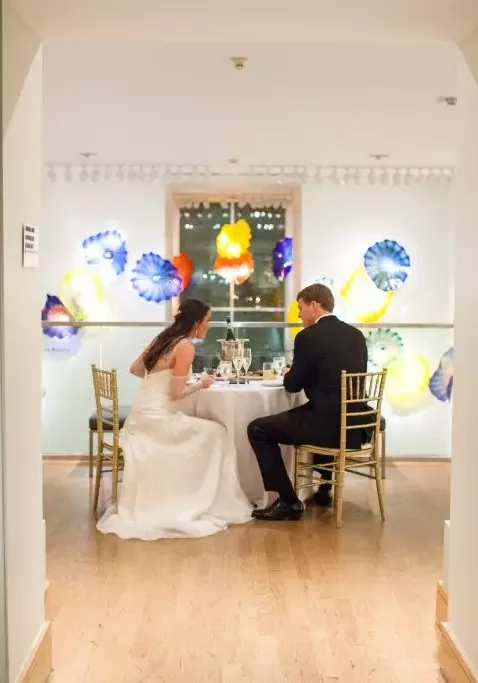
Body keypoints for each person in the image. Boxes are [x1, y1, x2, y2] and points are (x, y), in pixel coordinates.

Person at [97, 299, 252, 540]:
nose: (209, 326)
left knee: (206, 432)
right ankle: (198, 499)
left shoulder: (163, 339)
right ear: (197, 322)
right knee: (217, 434)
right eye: (208, 321)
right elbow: (176, 394)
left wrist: (159, 382)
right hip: (159, 421)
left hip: (141, 417)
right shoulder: (185, 347)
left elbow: (135, 369)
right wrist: (200, 384)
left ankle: (192, 493)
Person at [247, 283, 367, 522]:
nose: (299, 314)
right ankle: (324, 487)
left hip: (326, 425)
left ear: (315, 305)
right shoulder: (356, 335)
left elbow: (292, 385)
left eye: (300, 308)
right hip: (355, 423)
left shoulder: (308, 337)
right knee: (315, 409)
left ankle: (289, 502)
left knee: (257, 429)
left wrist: (291, 372)